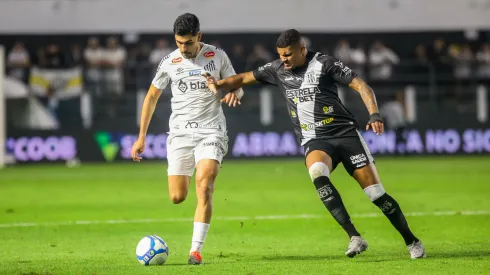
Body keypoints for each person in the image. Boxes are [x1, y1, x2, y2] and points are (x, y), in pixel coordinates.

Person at [203, 29, 425, 259]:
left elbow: (362, 86)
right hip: (315, 139)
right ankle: (355, 237)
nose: (284, 59)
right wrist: (218, 84)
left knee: (376, 194)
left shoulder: (325, 63)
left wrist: (374, 115)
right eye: (280, 55)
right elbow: (242, 78)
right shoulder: (276, 69)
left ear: (302, 50)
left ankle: (411, 240)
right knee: (317, 171)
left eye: (288, 54)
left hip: (345, 134)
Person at [131, 13, 244, 265]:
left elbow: (237, 83)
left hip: (211, 130)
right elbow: (151, 97)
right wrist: (141, 137)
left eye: (189, 43)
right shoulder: (169, 61)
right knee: (177, 196)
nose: (184, 48)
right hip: (180, 133)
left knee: (204, 186)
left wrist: (234, 92)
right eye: (179, 43)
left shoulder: (218, 56)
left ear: (199, 37)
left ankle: (195, 251)